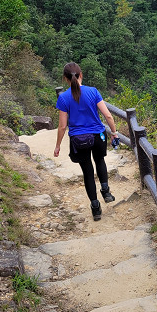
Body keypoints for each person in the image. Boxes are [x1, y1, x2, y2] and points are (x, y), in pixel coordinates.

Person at [54, 62, 119, 221]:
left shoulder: (63, 98)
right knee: (100, 161)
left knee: (87, 172)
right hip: (98, 135)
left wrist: (57, 146)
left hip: (78, 139)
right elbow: (108, 115)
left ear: (65, 79)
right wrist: (114, 133)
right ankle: (106, 191)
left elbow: (62, 126)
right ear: (81, 75)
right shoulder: (93, 91)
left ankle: (96, 208)